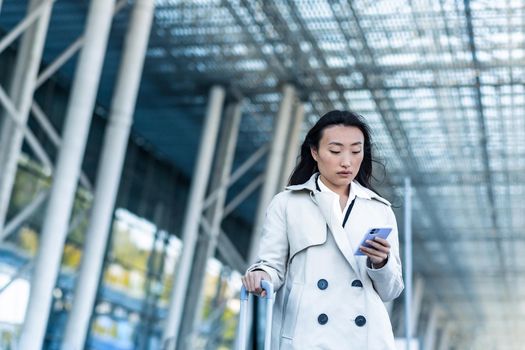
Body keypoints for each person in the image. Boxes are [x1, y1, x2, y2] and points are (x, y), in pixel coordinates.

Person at [242, 110, 404, 349]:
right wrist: (260, 275)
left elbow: (391, 290)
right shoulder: (287, 203)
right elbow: (271, 265)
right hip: (306, 336)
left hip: (366, 339)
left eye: (356, 151)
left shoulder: (379, 210)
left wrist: (381, 263)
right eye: (336, 151)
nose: (347, 161)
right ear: (314, 152)